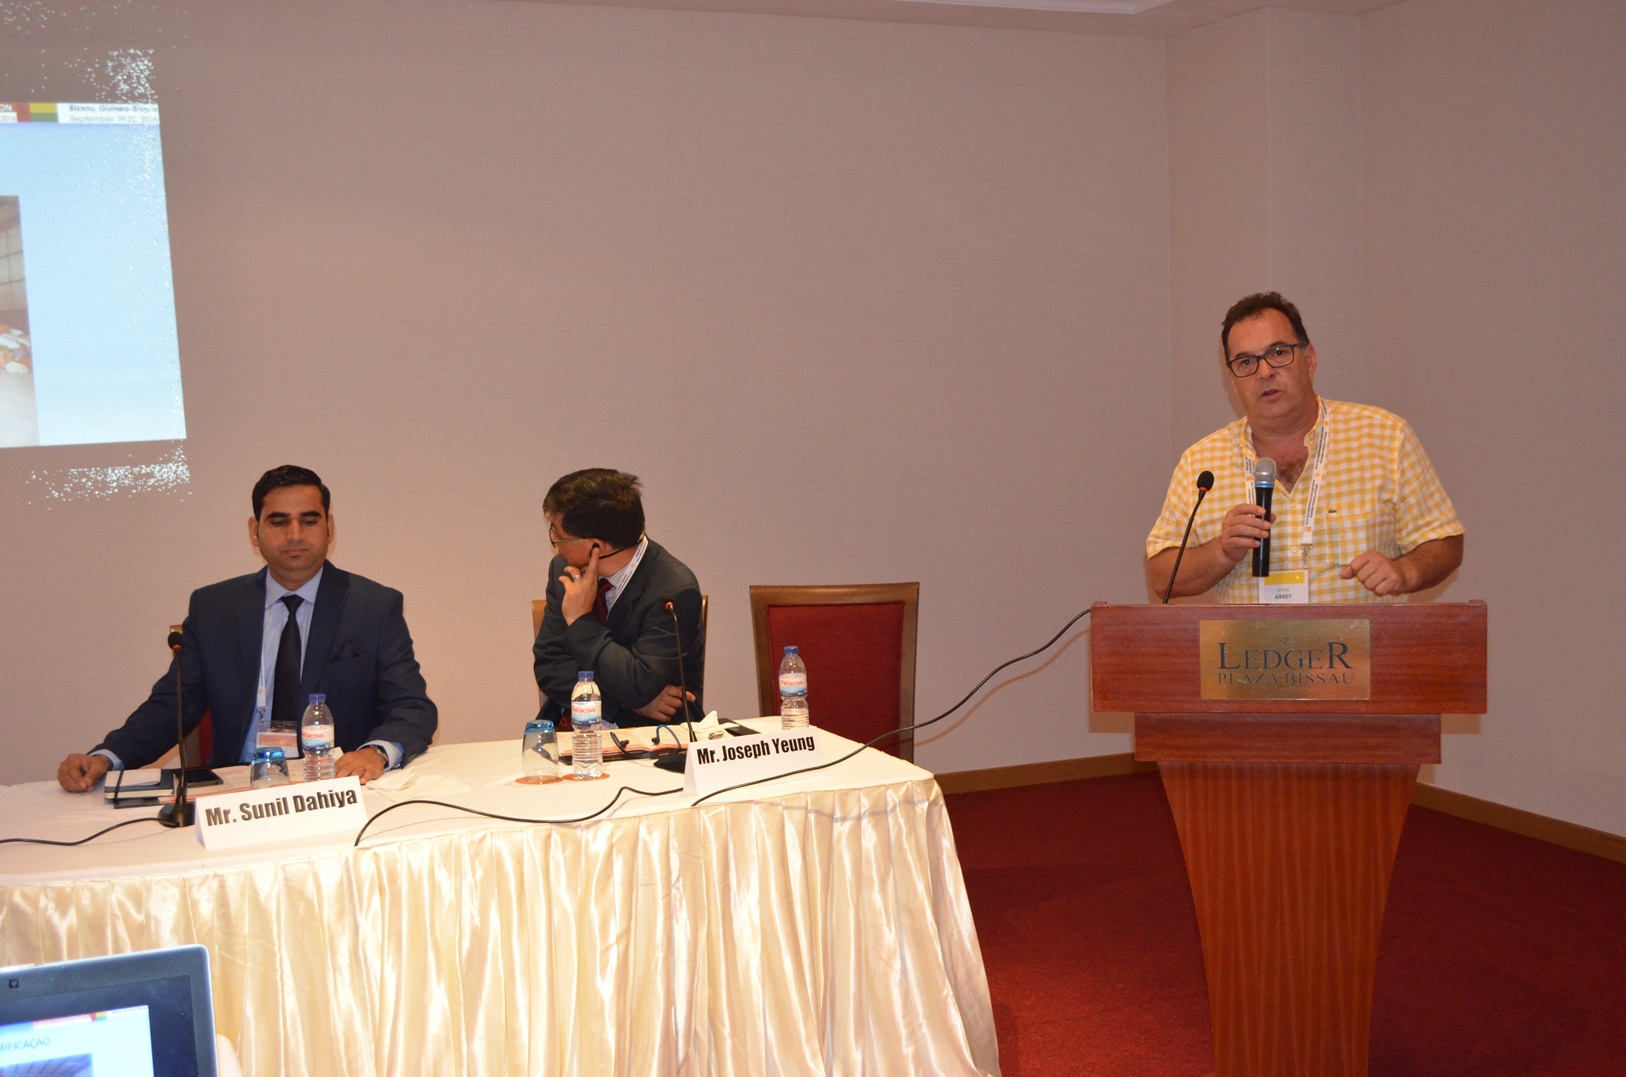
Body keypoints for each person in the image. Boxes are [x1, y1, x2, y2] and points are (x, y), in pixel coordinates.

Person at [57, 465, 438, 791]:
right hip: (237, 785)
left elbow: (412, 706)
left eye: (309, 520)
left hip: (332, 783)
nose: (295, 534)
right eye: (279, 521)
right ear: (255, 531)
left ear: (329, 527)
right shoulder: (214, 608)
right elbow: (174, 704)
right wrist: (107, 757)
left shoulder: (373, 606)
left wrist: (375, 753)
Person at [1147, 292, 1464, 603]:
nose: (1265, 372)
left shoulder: (1386, 436)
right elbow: (1162, 578)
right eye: (1246, 362)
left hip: (1362, 639)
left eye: (1278, 353)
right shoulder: (1201, 463)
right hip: (1249, 641)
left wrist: (1405, 571)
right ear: (1233, 380)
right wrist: (1222, 551)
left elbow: (1445, 542)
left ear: (1309, 359)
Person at [533, 468, 704, 729]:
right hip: (576, 728)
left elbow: (639, 683)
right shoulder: (564, 571)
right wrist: (624, 703)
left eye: (559, 535)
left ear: (596, 546)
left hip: (654, 736)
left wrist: (580, 621)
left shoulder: (674, 591)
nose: (555, 541)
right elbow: (550, 667)